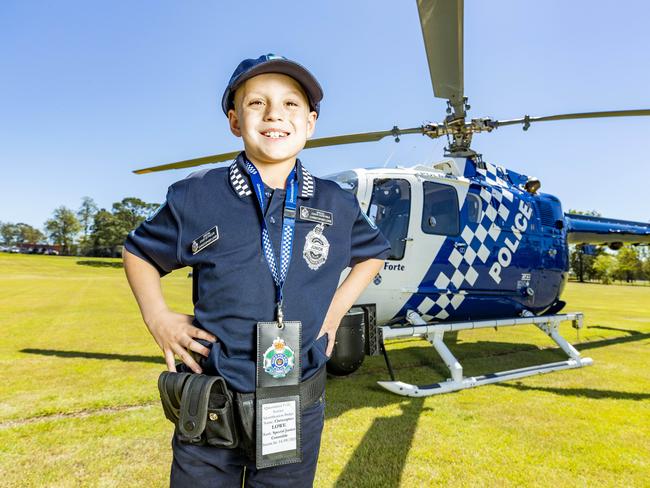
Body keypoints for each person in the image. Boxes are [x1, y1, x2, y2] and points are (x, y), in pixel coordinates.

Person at [122, 53, 390, 487]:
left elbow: (373, 254)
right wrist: (157, 316)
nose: (273, 115)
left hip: (295, 408)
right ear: (234, 120)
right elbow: (137, 252)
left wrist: (334, 314)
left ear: (310, 122)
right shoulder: (197, 195)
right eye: (256, 103)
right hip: (210, 408)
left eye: (290, 104)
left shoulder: (336, 203)